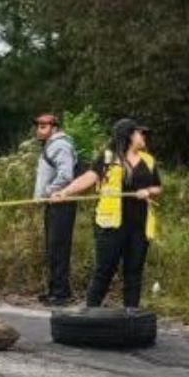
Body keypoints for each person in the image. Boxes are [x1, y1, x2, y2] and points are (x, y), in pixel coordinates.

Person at [52, 118, 162, 311]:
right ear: (129, 136)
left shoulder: (148, 160)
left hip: (140, 225)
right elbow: (89, 177)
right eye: (139, 133)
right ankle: (91, 310)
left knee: (134, 271)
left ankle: (131, 312)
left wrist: (148, 191)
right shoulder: (108, 157)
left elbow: (158, 187)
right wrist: (65, 192)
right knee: (105, 269)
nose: (143, 136)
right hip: (111, 224)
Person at [33, 112, 78, 306]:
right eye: (38, 126)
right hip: (53, 203)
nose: (39, 129)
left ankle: (61, 294)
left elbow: (66, 175)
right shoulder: (51, 145)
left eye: (44, 126)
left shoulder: (60, 145)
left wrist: (49, 192)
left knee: (59, 248)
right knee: (53, 248)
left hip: (61, 203)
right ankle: (54, 290)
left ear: (55, 128)